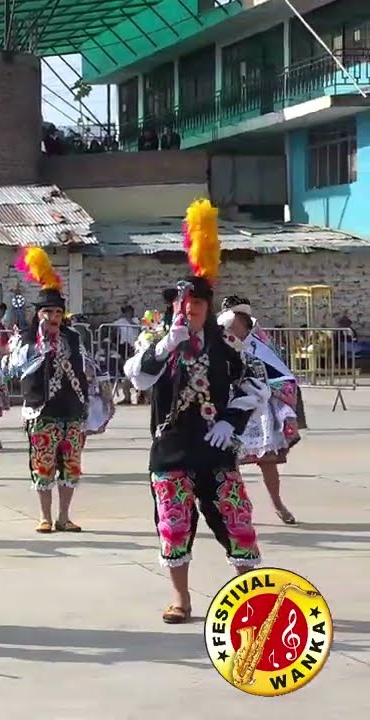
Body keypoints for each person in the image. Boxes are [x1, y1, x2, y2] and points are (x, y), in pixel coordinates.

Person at [123, 199, 268, 625]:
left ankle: (249, 598)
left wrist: (231, 420)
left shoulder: (228, 346)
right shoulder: (155, 343)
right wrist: (167, 344)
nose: (190, 312)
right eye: (183, 306)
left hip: (216, 449)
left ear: (209, 308)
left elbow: (256, 383)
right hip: (170, 451)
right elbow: (138, 379)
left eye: (198, 306)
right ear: (174, 309)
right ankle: (182, 599)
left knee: (237, 521)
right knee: (173, 526)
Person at [8, 248, 96, 534]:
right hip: (42, 411)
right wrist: (39, 350)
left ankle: (65, 515)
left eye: (58, 311)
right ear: (39, 314)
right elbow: (14, 367)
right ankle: (45, 516)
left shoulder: (73, 337)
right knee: (43, 466)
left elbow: (85, 368)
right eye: (48, 311)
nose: (54, 316)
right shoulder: (27, 339)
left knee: (71, 467)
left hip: (72, 411)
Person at [218, 295, 303, 525]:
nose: (229, 326)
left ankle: (277, 503)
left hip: (260, 411)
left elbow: (281, 374)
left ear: (244, 322)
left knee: (268, 461)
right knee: (229, 461)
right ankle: (233, 506)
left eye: (233, 322)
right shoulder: (221, 342)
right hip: (232, 407)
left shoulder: (259, 344)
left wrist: (267, 387)